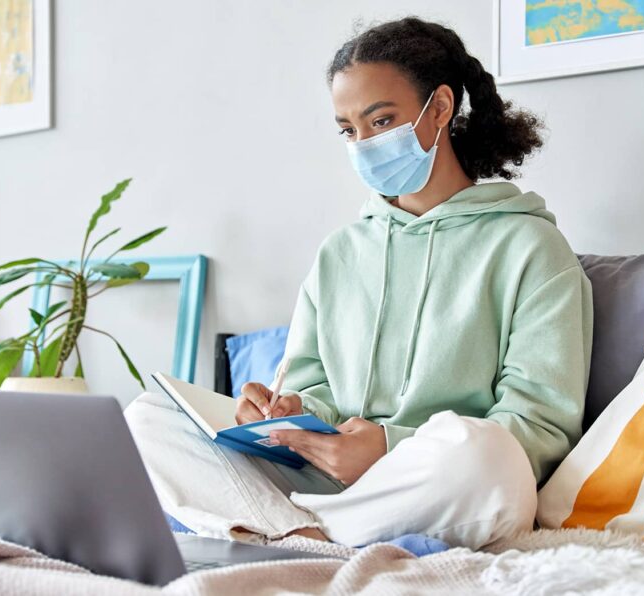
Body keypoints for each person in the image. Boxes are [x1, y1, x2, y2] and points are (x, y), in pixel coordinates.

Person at [125, 16, 593, 551]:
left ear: (439, 107)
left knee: (489, 455)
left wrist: (389, 446)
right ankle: (304, 537)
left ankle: (285, 535)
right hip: (322, 485)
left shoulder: (531, 248)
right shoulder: (339, 253)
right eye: (349, 130)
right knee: (149, 416)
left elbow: (540, 429)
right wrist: (287, 412)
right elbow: (315, 391)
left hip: (436, 484)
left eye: (381, 120)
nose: (363, 143)